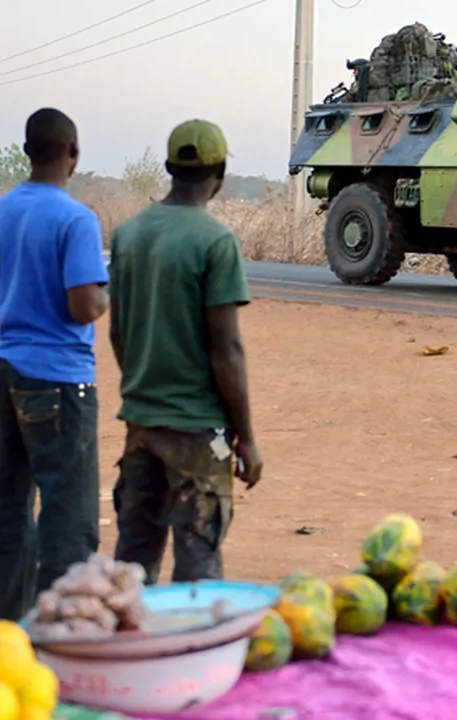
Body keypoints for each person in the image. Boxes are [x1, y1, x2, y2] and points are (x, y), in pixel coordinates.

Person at [0, 107, 110, 621]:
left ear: (28, 151)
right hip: (62, 381)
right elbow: (83, 306)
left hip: (9, 372)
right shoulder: (76, 219)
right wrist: (105, 294)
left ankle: (4, 621)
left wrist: (22, 286)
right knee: (69, 512)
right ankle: (62, 626)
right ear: (73, 153)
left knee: (7, 499)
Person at [107, 119, 262, 585]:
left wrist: (145, 386)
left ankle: (124, 650)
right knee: (198, 565)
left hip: (141, 423)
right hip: (197, 431)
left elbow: (117, 332)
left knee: (132, 564)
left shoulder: (128, 235)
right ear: (219, 174)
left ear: (170, 168)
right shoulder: (216, 241)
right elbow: (226, 348)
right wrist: (246, 438)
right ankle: (192, 654)